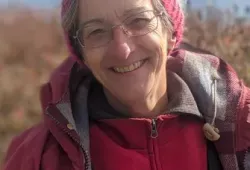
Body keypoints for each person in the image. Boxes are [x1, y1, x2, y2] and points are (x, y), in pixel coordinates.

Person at [2, 0, 250, 169]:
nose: (122, 49)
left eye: (139, 21)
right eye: (97, 31)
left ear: (170, 32)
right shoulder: (37, 157)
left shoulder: (241, 127)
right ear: (82, 55)